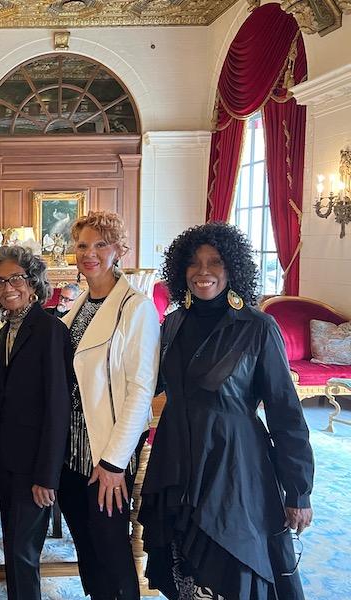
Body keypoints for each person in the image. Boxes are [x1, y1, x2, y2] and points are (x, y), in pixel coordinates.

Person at [139, 222, 314, 600]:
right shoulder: (172, 324)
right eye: (194, 263)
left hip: (232, 467)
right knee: (184, 567)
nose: (203, 272)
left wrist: (298, 491)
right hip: (175, 459)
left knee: (230, 565)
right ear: (181, 270)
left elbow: (286, 416)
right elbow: (145, 386)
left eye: (214, 262)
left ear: (232, 267)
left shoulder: (258, 327)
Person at [58, 210, 160, 600]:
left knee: (112, 548)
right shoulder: (80, 303)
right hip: (71, 452)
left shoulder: (136, 307)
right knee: (86, 546)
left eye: (101, 244)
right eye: (83, 245)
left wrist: (115, 462)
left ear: (118, 250)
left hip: (106, 455)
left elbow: (140, 390)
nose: (90, 253)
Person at [0, 245, 72, 600]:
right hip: (8, 458)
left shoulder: (49, 329)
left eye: (16, 279)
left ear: (33, 283)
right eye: (0, 281)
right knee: (14, 544)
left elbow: (57, 405)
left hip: (34, 463)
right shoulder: (7, 331)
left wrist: (46, 475)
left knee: (23, 551)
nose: (8, 288)